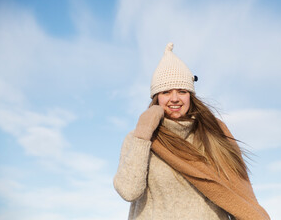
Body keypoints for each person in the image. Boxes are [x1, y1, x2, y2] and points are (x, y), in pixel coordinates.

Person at [113, 43, 270, 220]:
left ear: (190, 96)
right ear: (157, 98)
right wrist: (143, 133)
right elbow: (129, 191)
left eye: (181, 91)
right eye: (166, 92)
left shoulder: (213, 135)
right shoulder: (139, 138)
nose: (174, 99)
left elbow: (239, 197)